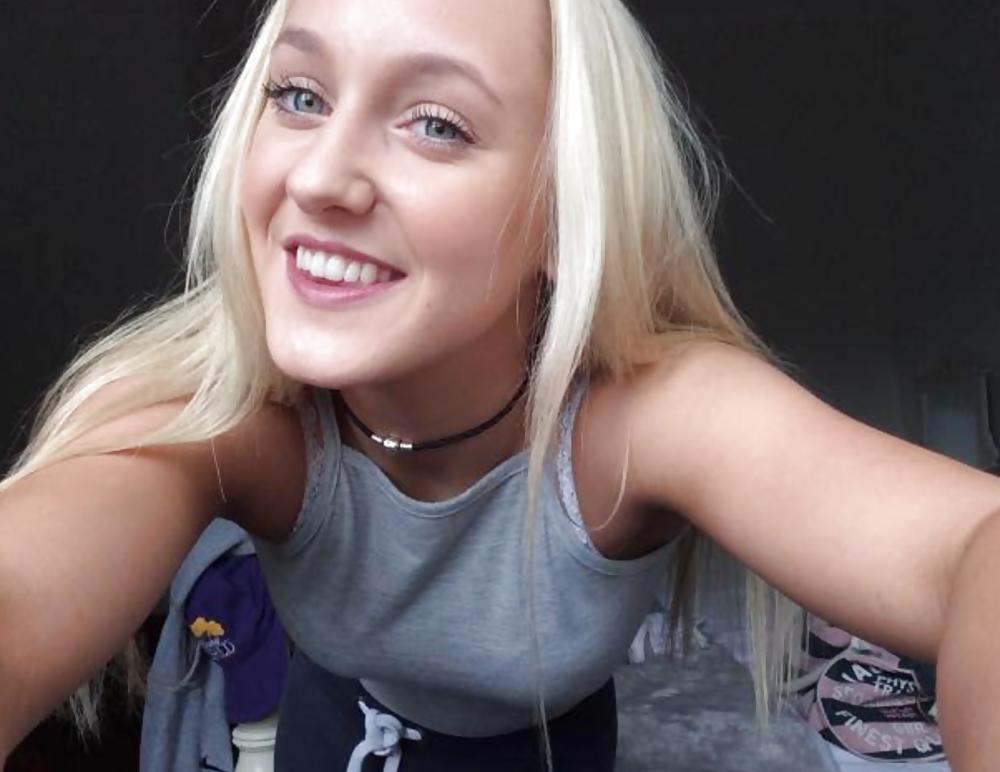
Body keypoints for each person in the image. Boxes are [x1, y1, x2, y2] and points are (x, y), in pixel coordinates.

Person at [1, 0, 999, 769]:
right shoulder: (225, 415)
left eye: (436, 123)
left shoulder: (642, 414)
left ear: (565, 206)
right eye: (299, 96)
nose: (319, 179)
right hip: (331, 734)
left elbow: (973, 547)